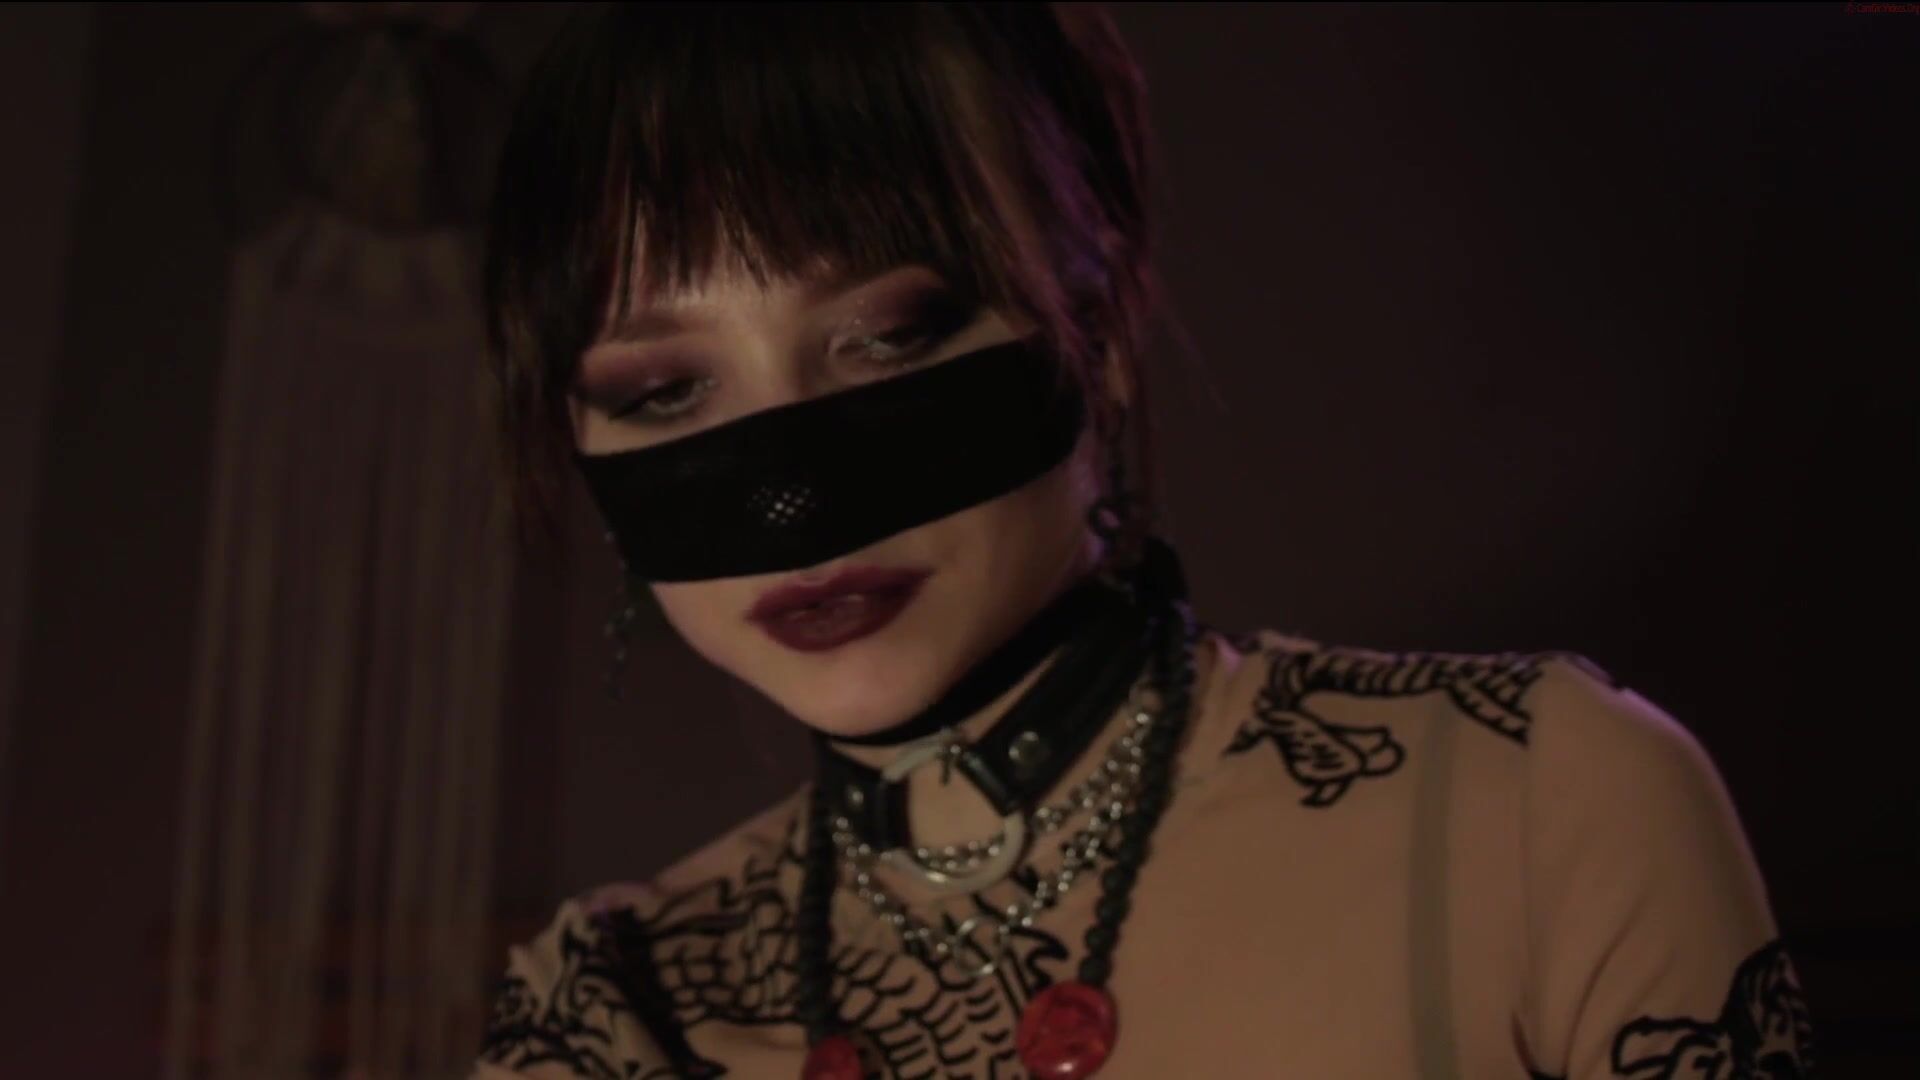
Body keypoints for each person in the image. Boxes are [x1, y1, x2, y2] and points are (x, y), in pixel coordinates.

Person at [468, 5, 1813, 1078]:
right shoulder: (613, 1010)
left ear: (1098, 329)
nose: (792, 496)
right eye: (662, 393)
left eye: (892, 335)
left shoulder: (1535, 808)